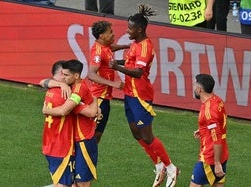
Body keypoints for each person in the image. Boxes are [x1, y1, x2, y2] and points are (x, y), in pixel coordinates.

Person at [109, 4, 179, 187]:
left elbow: (139, 72)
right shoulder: (135, 44)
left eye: (130, 28)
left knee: (147, 136)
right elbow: (130, 61)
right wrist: (116, 62)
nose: (127, 30)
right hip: (129, 94)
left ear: (139, 29)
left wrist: (117, 67)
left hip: (141, 96)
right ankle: (158, 165)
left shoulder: (146, 47)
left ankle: (171, 168)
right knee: (135, 133)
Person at [40, 60, 98, 187]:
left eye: (66, 75)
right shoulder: (66, 89)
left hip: (83, 140)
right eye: (62, 75)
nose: (64, 78)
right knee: (73, 182)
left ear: (75, 76)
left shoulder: (74, 93)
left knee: (82, 182)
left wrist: (46, 110)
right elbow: (43, 81)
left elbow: (89, 112)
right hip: (71, 141)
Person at [88, 20, 129, 143]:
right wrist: (113, 83)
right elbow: (91, 74)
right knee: (92, 136)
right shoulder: (98, 52)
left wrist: (127, 46)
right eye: (110, 32)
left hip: (104, 98)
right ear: (101, 36)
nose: (113, 34)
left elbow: (111, 48)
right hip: (98, 99)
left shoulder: (105, 47)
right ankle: (83, 160)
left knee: (98, 135)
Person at [190, 74, 229, 187]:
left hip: (210, 157)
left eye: (194, 85)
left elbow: (216, 139)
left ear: (199, 89)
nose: (193, 88)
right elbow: (220, 122)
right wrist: (204, 129)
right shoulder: (217, 101)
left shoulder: (209, 111)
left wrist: (216, 163)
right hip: (222, 153)